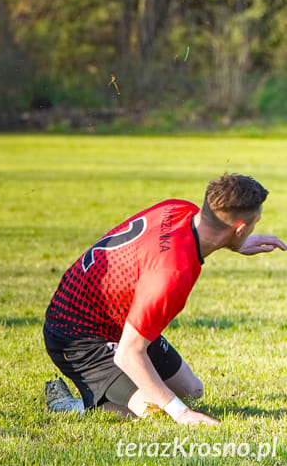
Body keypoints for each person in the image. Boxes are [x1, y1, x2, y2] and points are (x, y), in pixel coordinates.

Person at [43, 174, 285, 425]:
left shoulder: (179, 209)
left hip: (116, 316)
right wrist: (182, 414)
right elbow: (128, 353)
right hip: (76, 335)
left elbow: (198, 236)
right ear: (241, 227)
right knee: (154, 410)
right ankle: (71, 405)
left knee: (191, 391)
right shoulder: (172, 274)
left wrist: (235, 243)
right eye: (254, 223)